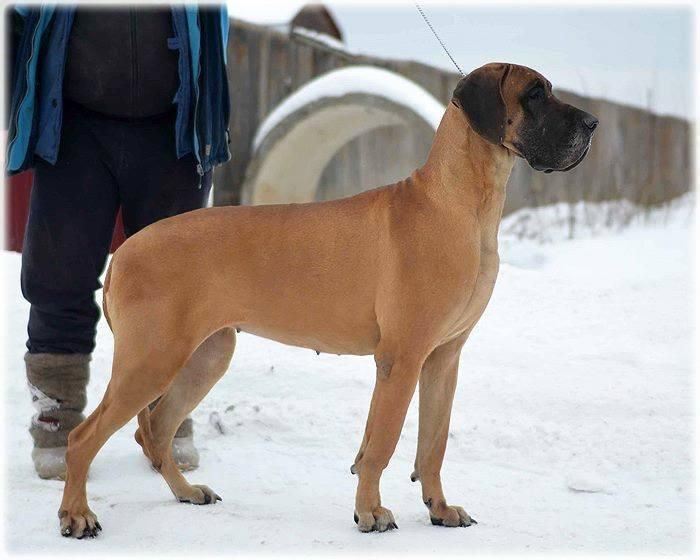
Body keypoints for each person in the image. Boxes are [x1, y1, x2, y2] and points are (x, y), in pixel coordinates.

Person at [6, 4, 231, 479]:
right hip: (73, 123)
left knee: (178, 285)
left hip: (174, 125)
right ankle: (56, 415)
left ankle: (167, 412)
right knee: (58, 273)